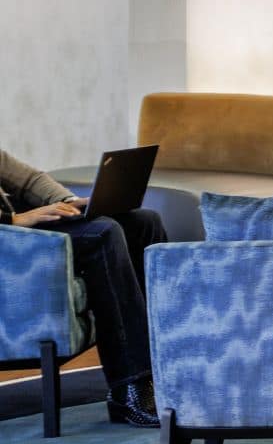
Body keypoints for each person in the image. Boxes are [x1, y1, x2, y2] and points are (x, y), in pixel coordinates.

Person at [1, 146, 164, 426]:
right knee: (102, 233)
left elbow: (29, 181)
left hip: (13, 236)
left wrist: (70, 202)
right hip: (8, 244)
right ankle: (130, 389)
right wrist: (13, 220)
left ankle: (166, 368)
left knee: (143, 222)